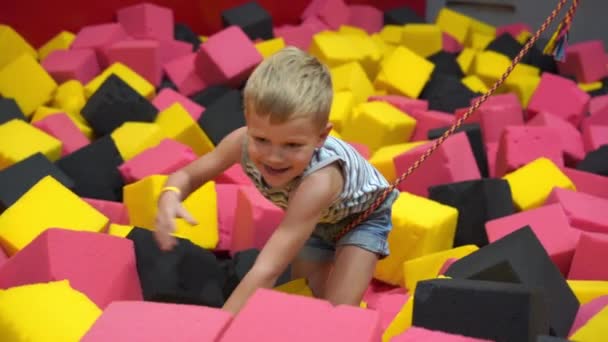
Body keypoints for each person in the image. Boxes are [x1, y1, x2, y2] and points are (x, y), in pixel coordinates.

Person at [153, 46, 399, 315]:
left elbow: (267, 269)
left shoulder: (319, 181)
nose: (274, 157)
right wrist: (171, 193)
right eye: (261, 139)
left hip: (362, 218)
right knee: (304, 295)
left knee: (339, 312)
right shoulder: (240, 142)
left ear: (321, 137)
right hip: (316, 220)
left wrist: (218, 328)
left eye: (292, 145)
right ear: (248, 122)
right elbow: (189, 174)